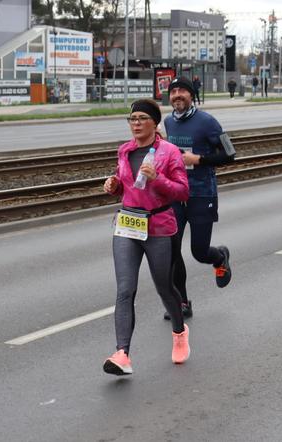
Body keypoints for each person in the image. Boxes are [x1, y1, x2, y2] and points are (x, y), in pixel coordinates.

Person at [102, 98, 191, 376]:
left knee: (164, 287)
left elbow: (182, 192)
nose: (136, 123)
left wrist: (157, 180)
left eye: (142, 118)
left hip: (158, 227)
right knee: (125, 289)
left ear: (155, 122)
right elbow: (127, 185)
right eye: (132, 119)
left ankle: (179, 331)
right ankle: (122, 354)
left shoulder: (169, 152)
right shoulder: (124, 150)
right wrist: (114, 186)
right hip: (128, 225)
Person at [162, 77, 234, 320]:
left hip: (202, 193)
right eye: (173, 92)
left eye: (182, 91)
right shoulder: (168, 122)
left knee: (199, 251)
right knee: (171, 251)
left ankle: (219, 257)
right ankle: (181, 303)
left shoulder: (207, 122)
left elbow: (229, 154)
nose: (177, 95)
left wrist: (198, 160)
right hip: (175, 194)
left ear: (191, 95)